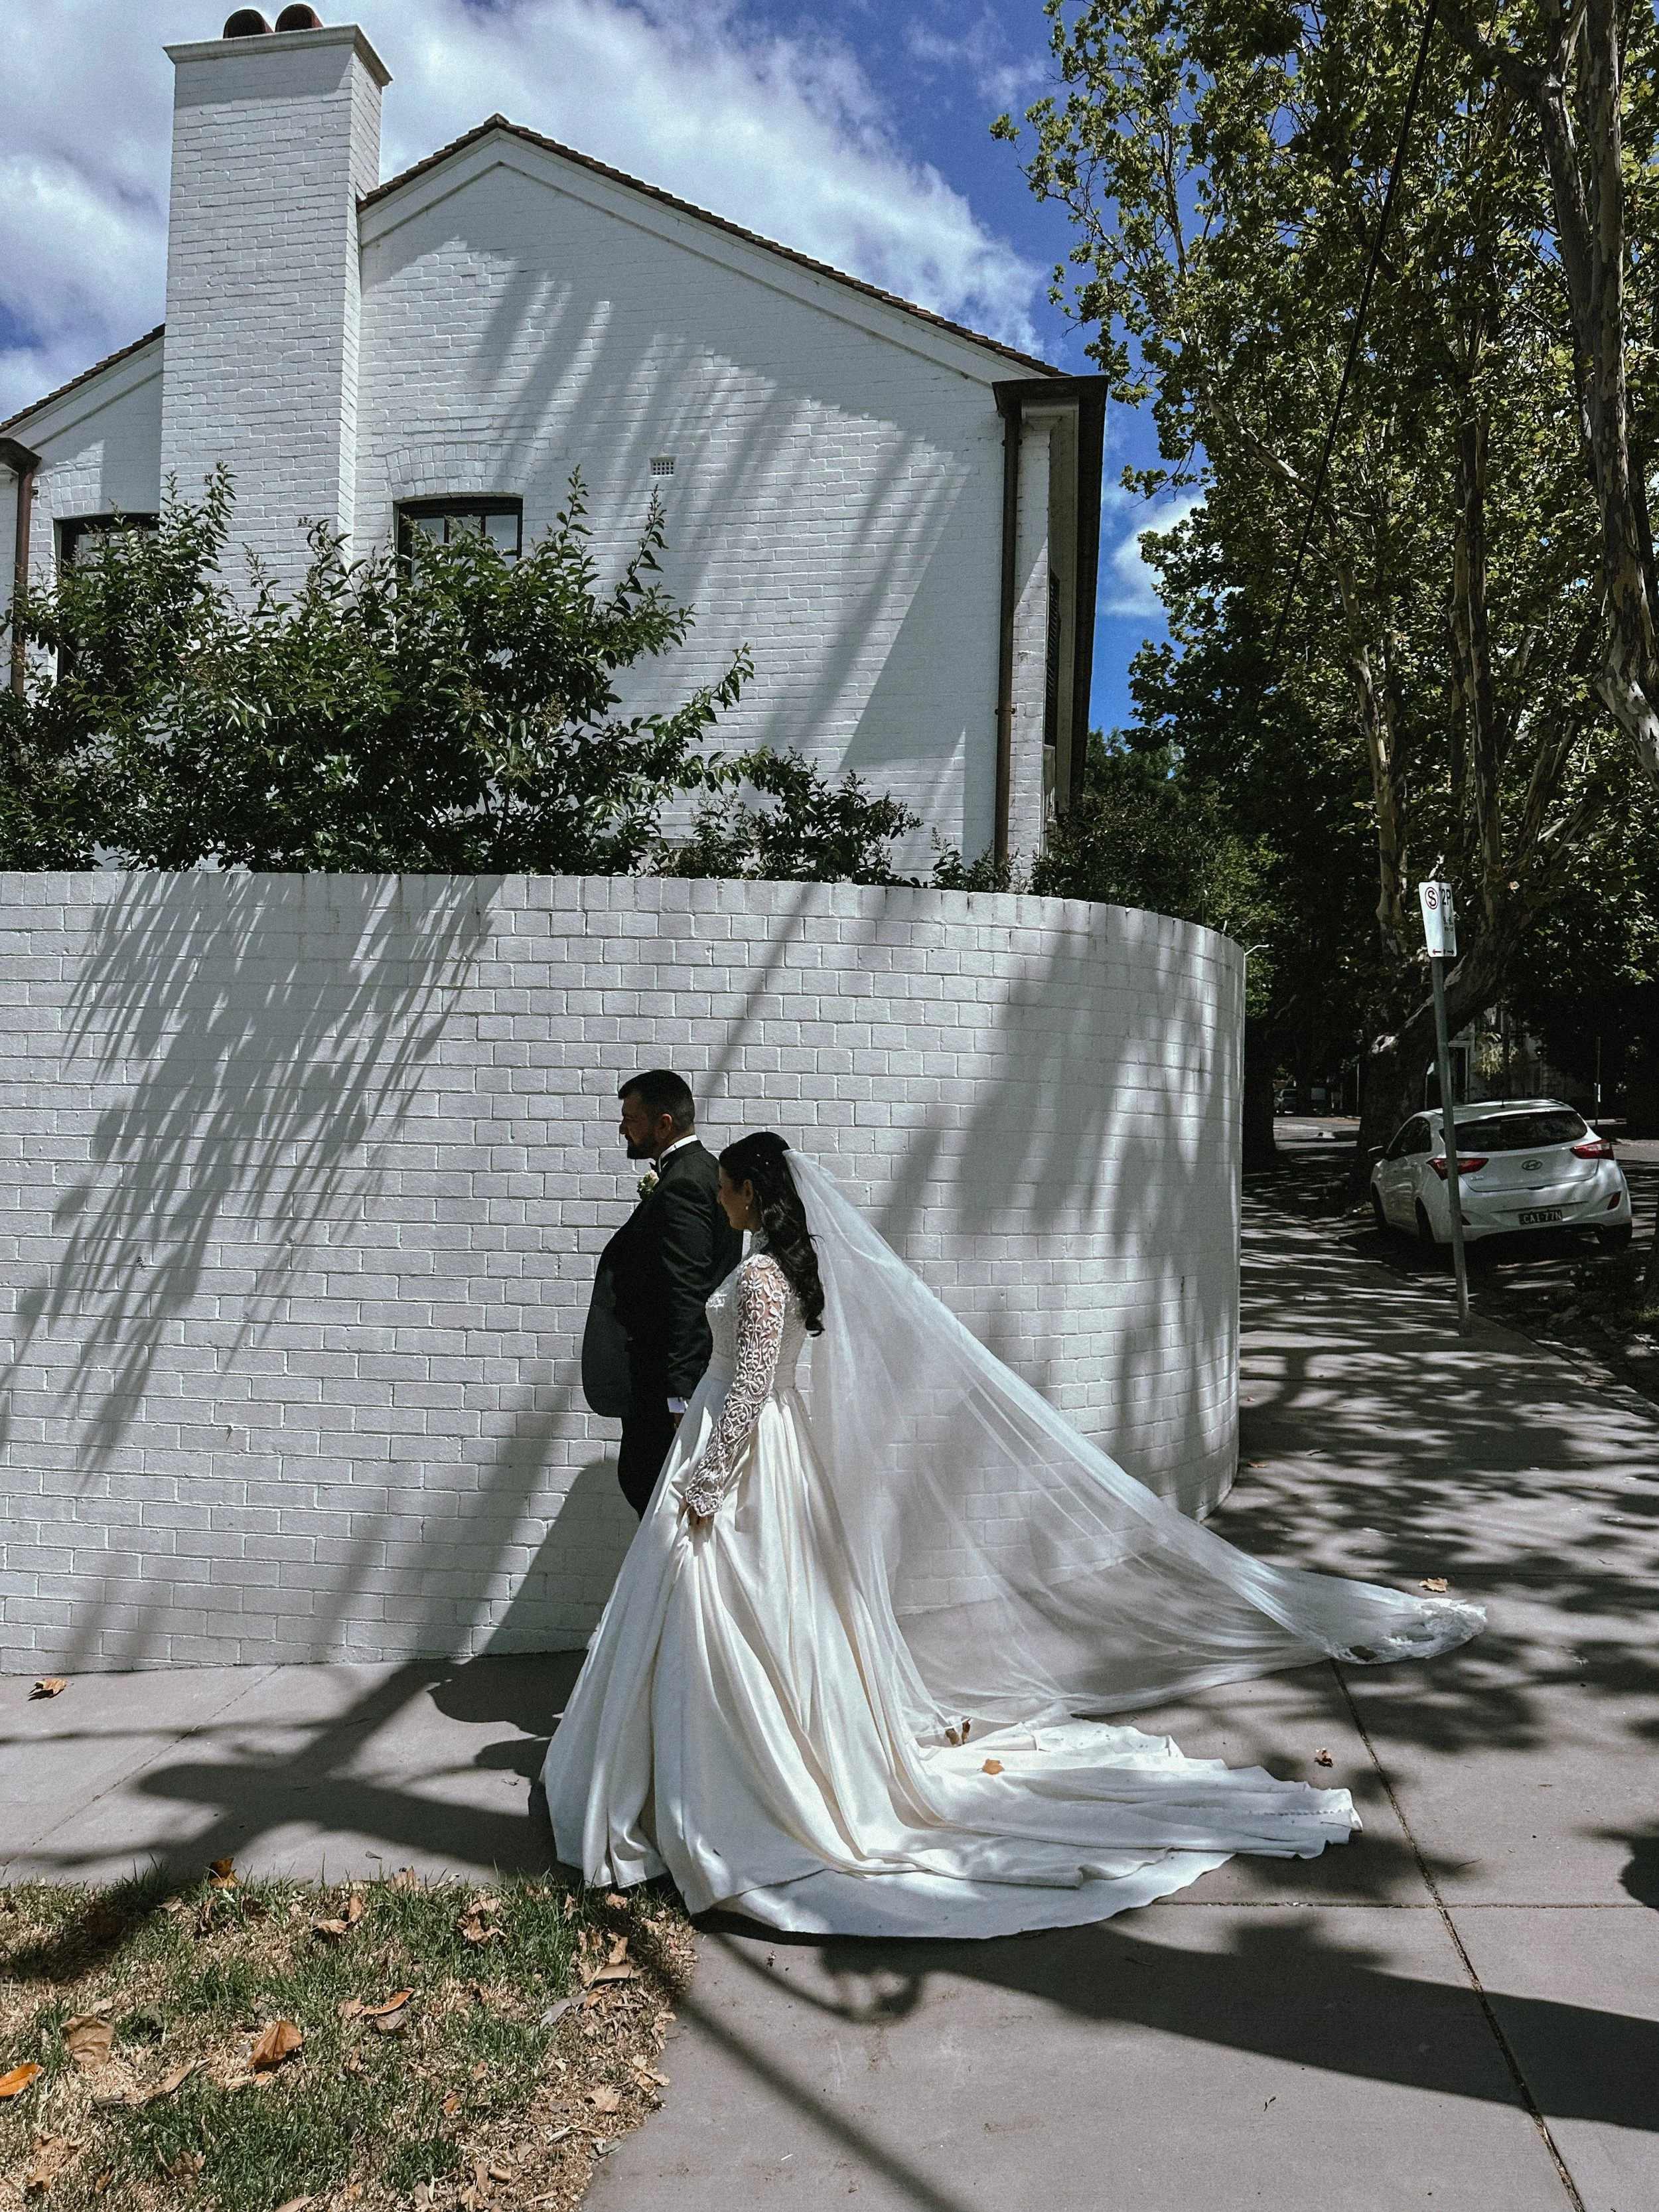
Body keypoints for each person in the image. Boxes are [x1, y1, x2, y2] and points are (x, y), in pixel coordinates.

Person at [545, 1135, 1484, 1938]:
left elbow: (747, 1390)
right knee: (779, 1615)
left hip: (745, 1459)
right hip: (783, 1459)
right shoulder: (789, 1268)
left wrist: (708, 1484)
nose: (717, 1193)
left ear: (752, 1194)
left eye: (728, 1184)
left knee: (732, 1611)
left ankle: (730, 1780)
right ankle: (748, 1756)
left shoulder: (757, 1275)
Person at [580, 1070, 742, 1516]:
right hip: (677, 1384)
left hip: (664, 1392)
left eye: (631, 1118)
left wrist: (680, 1398)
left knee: (654, 1498)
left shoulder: (684, 1184)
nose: (623, 1128)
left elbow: (687, 1294)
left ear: (665, 1123)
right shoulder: (706, 1173)